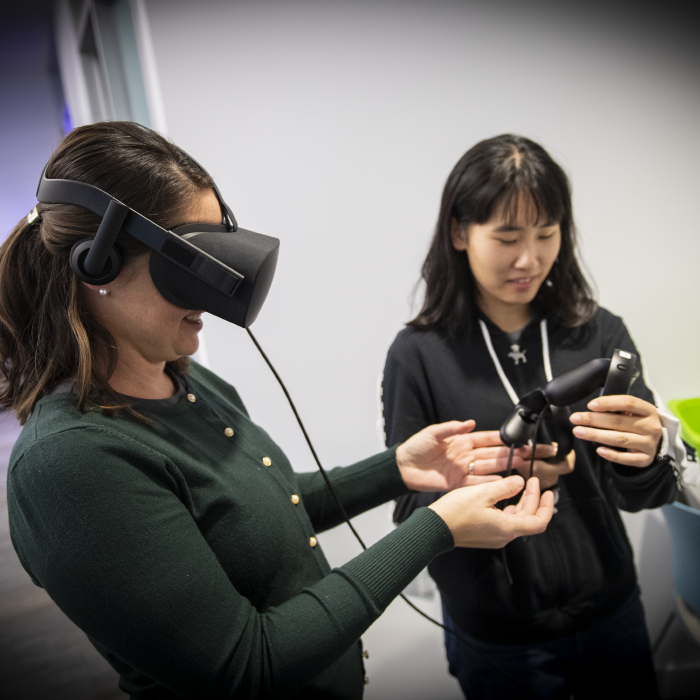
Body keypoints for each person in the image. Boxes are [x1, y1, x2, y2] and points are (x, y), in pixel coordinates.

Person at [0, 122, 555, 700]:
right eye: (194, 260)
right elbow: (245, 667)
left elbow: (262, 510)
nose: (218, 292)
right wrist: (434, 529)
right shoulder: (69, 464)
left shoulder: (184, 380)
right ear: (99, 265)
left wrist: (397, 470)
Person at [382, 134, 683, 699]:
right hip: (497, 636)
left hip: (611, 610)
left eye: (547, 235)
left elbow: (644, 495)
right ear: (458, 233)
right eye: (507, 238)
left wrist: (648, 455)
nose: (530, 259)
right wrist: (495, 482)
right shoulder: (418, 355)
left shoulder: (599, 333)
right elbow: (408, 506)